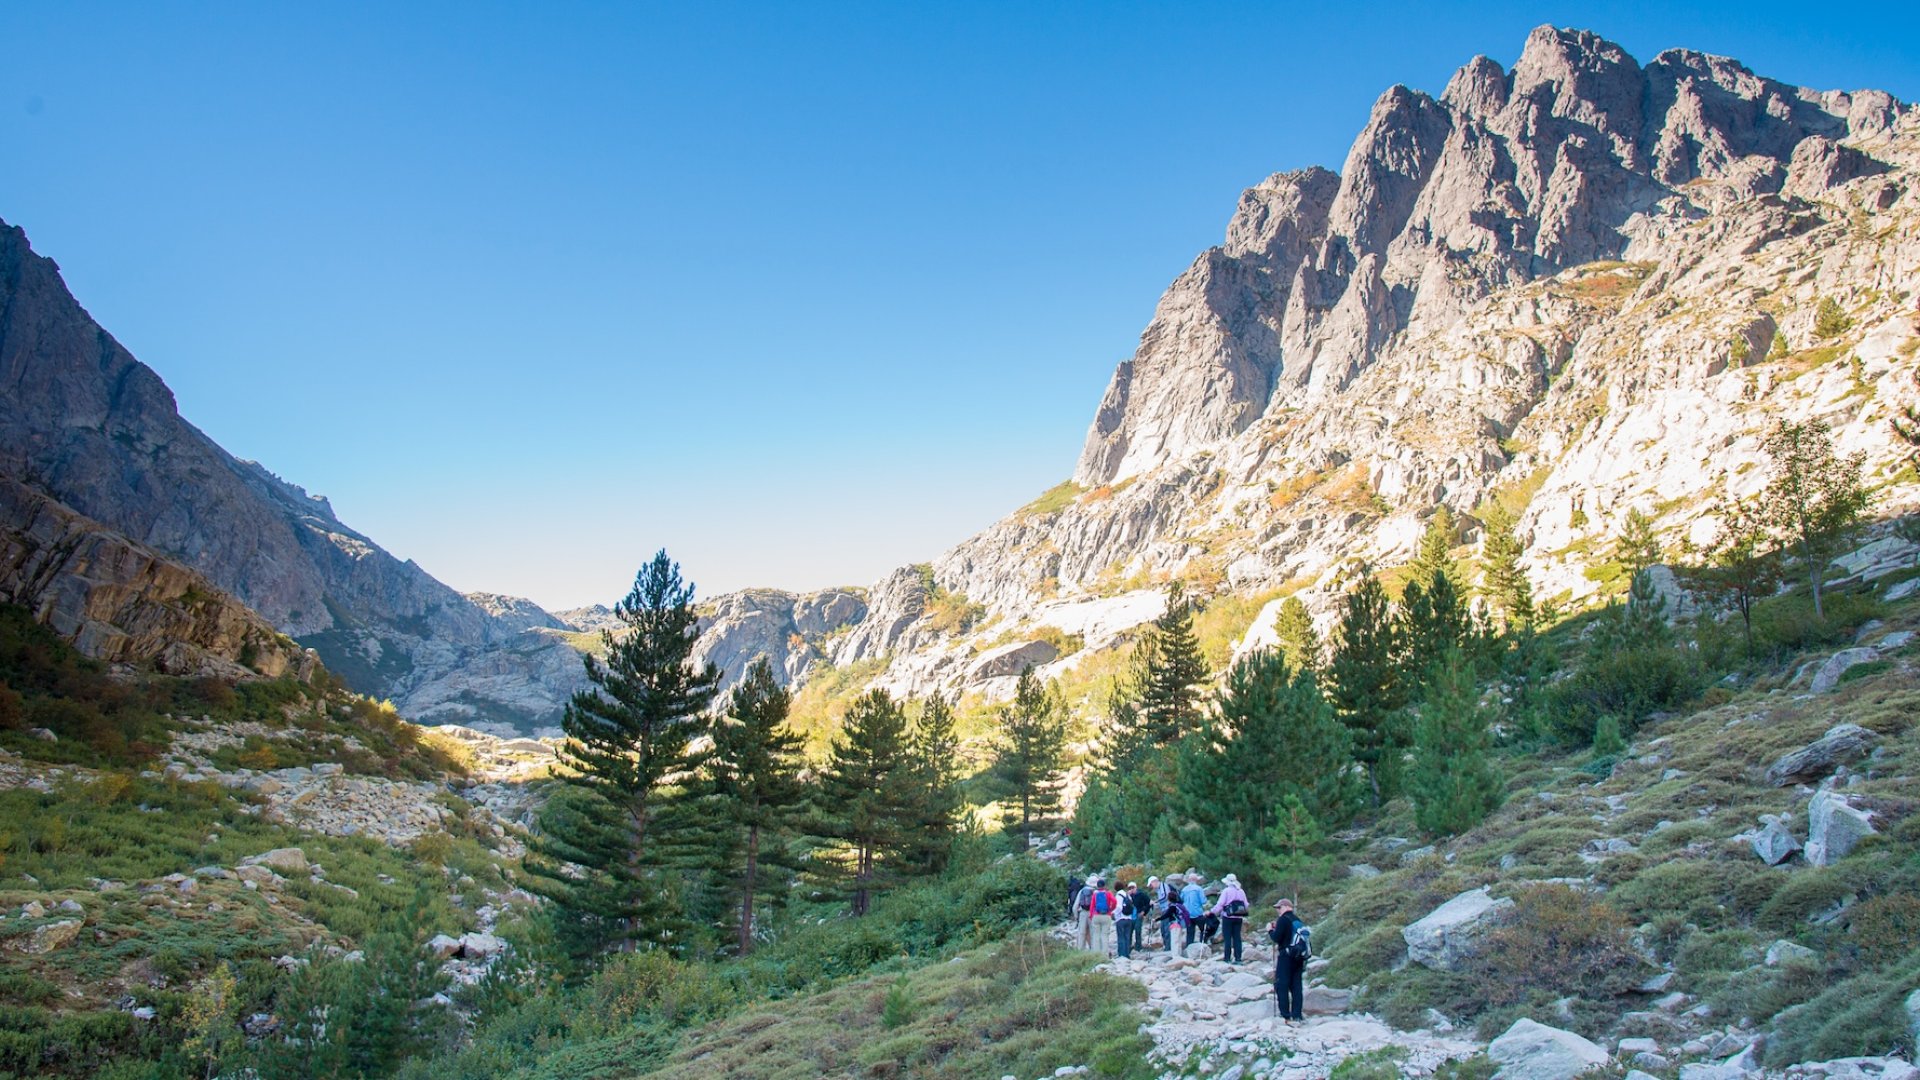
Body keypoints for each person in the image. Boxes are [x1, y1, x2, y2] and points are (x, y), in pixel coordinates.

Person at [1266, 898, 1306, 1021]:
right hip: (1299, 957)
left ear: (1287, 907)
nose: (1278, 910)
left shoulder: (1283, 920)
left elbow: (1277, 938)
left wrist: (1270, 930)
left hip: (1286, 956)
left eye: (1279, 907)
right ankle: (1297, 1014)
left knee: (1282, 984)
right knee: (1296, 986)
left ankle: (1285, 1014)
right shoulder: (1297, 920)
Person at [1209, 873, 1249, 963]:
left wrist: (1212, 912)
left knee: (1227, 938)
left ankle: (1227, 958)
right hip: (1239, 916)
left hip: (1228, 916)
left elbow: (1220, 904)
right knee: (1237, 937)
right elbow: (1246, 904)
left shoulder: (1226, 891)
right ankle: (1238, 958)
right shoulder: (1241, 891)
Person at [1087, 878, 1118, 956]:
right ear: (1104, 885)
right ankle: (1104, 954)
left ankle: (1096, 954)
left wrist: (1091, 915)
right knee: (1104, 935)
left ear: (1097, 886)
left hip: (1096, 916)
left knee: (1096, 935)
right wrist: (1111, 909)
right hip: (1106, 915)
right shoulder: (1108, 893)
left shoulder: (1095, 894)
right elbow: (1114, 901)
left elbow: (1092, 905)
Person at [1179, 873, 1208, 949]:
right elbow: (1203, 901)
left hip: (1187, 914)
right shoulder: (1198, 889)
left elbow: (1181, 900)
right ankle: (1203, 946)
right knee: (1203, 930)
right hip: (1197, 913)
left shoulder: (1184, 889)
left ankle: (1189, 948)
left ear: (1189, 880)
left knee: (1190, 932)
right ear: (1196, 880)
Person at [1148, 876, 1175, 952]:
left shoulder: (1163, 886)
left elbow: (1166, 896)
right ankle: (1166, 946)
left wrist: (1155, 902)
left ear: (1154, 882)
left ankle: (1168, 948)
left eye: (1151, 885)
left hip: (1168, 909)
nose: (1151, 887)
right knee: (1163, 929)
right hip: (1164, 910)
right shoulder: (1158, 889)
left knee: (1167, 929)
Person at [1072, 876, 1094, 949]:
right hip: (1093, 914)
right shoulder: (1096, 892)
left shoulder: (1082, 891)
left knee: (1082, 933)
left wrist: (1076, 917)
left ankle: (1081, 949)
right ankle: (1094, 948)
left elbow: (1075, 906)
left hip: (1083, 913)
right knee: (1092, 933)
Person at [1114, 882, 1135, 959]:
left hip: (1121, 918)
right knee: (1127, 937)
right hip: (1129, 918)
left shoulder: (1119, 895)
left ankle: (1121, 955)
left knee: (1121, 937)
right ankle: (1127, 954)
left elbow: (1119, 907)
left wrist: (1115, 914)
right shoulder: (1128, 895)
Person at [1124, 882, 1146, 951]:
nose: (1131, 889)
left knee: (1138, 930)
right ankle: (1128, 947)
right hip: (1130, 916)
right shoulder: (1127, 896)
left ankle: (1138, 947)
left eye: (1133, 887)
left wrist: (1143, 912)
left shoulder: (1140, 894)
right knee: (1129, 932)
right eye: (1130, 888)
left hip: (1138, 915)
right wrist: (1128, 896)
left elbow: (1146, 903)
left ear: (1136, 887)